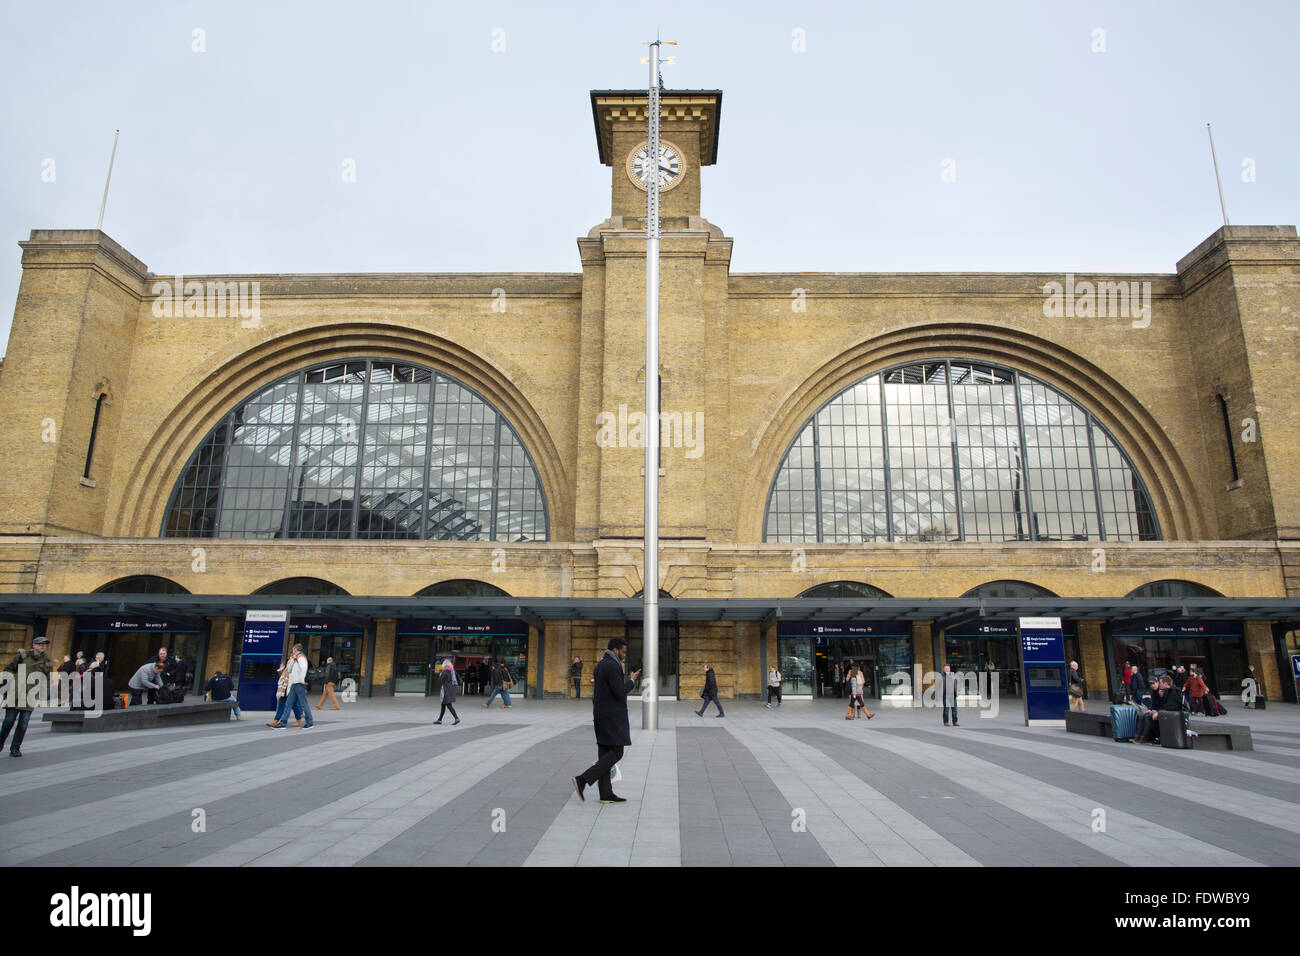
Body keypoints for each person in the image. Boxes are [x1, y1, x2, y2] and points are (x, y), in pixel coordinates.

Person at [572, 637, 639, 804]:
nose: (624, 655)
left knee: (604, 752)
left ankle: (606, 793)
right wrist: (631, 680)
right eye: (623, 651)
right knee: (617, 751)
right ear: (615, 650)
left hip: (601, 714)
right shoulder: (612, 665)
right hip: (612, 716)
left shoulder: (601, 664)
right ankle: (583, 779)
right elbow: (619, 692)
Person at [1, 634, 53, 757]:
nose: (43, 646)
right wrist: (15, 679)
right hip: (14, 693)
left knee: (23, 723)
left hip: (30, 696)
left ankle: (15, 748)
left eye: (44, 645)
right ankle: (1, 742)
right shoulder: (21, 657)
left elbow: (47, 680)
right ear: (33, 645)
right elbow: (8, 669)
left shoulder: (47, 662)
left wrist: (43, 696)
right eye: (40, 644)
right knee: (8, 721)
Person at [271, 644, 313, 729]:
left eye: (293, 649)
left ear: (295, 649)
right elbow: (289, 670)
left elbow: (303, 668)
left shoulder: (301, 658)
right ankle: (283, 723)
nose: (292, 651)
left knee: (303, 703)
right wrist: (293, 660)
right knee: (288, 704)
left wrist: (301, 680)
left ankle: (309, 722)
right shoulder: (296, 658)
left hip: (299, 683)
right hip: (294, 684)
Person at [1133, 675, 1183, 744]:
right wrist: (1152, 709)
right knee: (1143, 716)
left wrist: (1158, 711)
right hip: (1161, 710)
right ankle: (1138, 735)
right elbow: (1155, 704)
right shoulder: (1156, 692)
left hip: (1166, 712)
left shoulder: (1170, 691)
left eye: (1158, 683)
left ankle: (1145, 736)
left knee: (1148, 717)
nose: (1152, 686)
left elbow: (1169, 705)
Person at [267, 657, 305, 727]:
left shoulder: (295, 670)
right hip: (284, 690)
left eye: (290, 661)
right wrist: (280, 670)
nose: (288, 662)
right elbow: (282, 678)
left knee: (295, 706)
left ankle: (299, 720)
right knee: (281, 705)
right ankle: (276, 720)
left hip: (292, 690)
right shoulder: (286, 670)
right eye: (288, 661)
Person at [433, 658, 461, 725]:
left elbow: (440, 680)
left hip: (446, 690)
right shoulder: (451, 671)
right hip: (451, 689)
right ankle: (439, 720)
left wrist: (440, 672)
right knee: (443, 705)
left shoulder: (445, 672)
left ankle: (456, 718)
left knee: (448, 705)